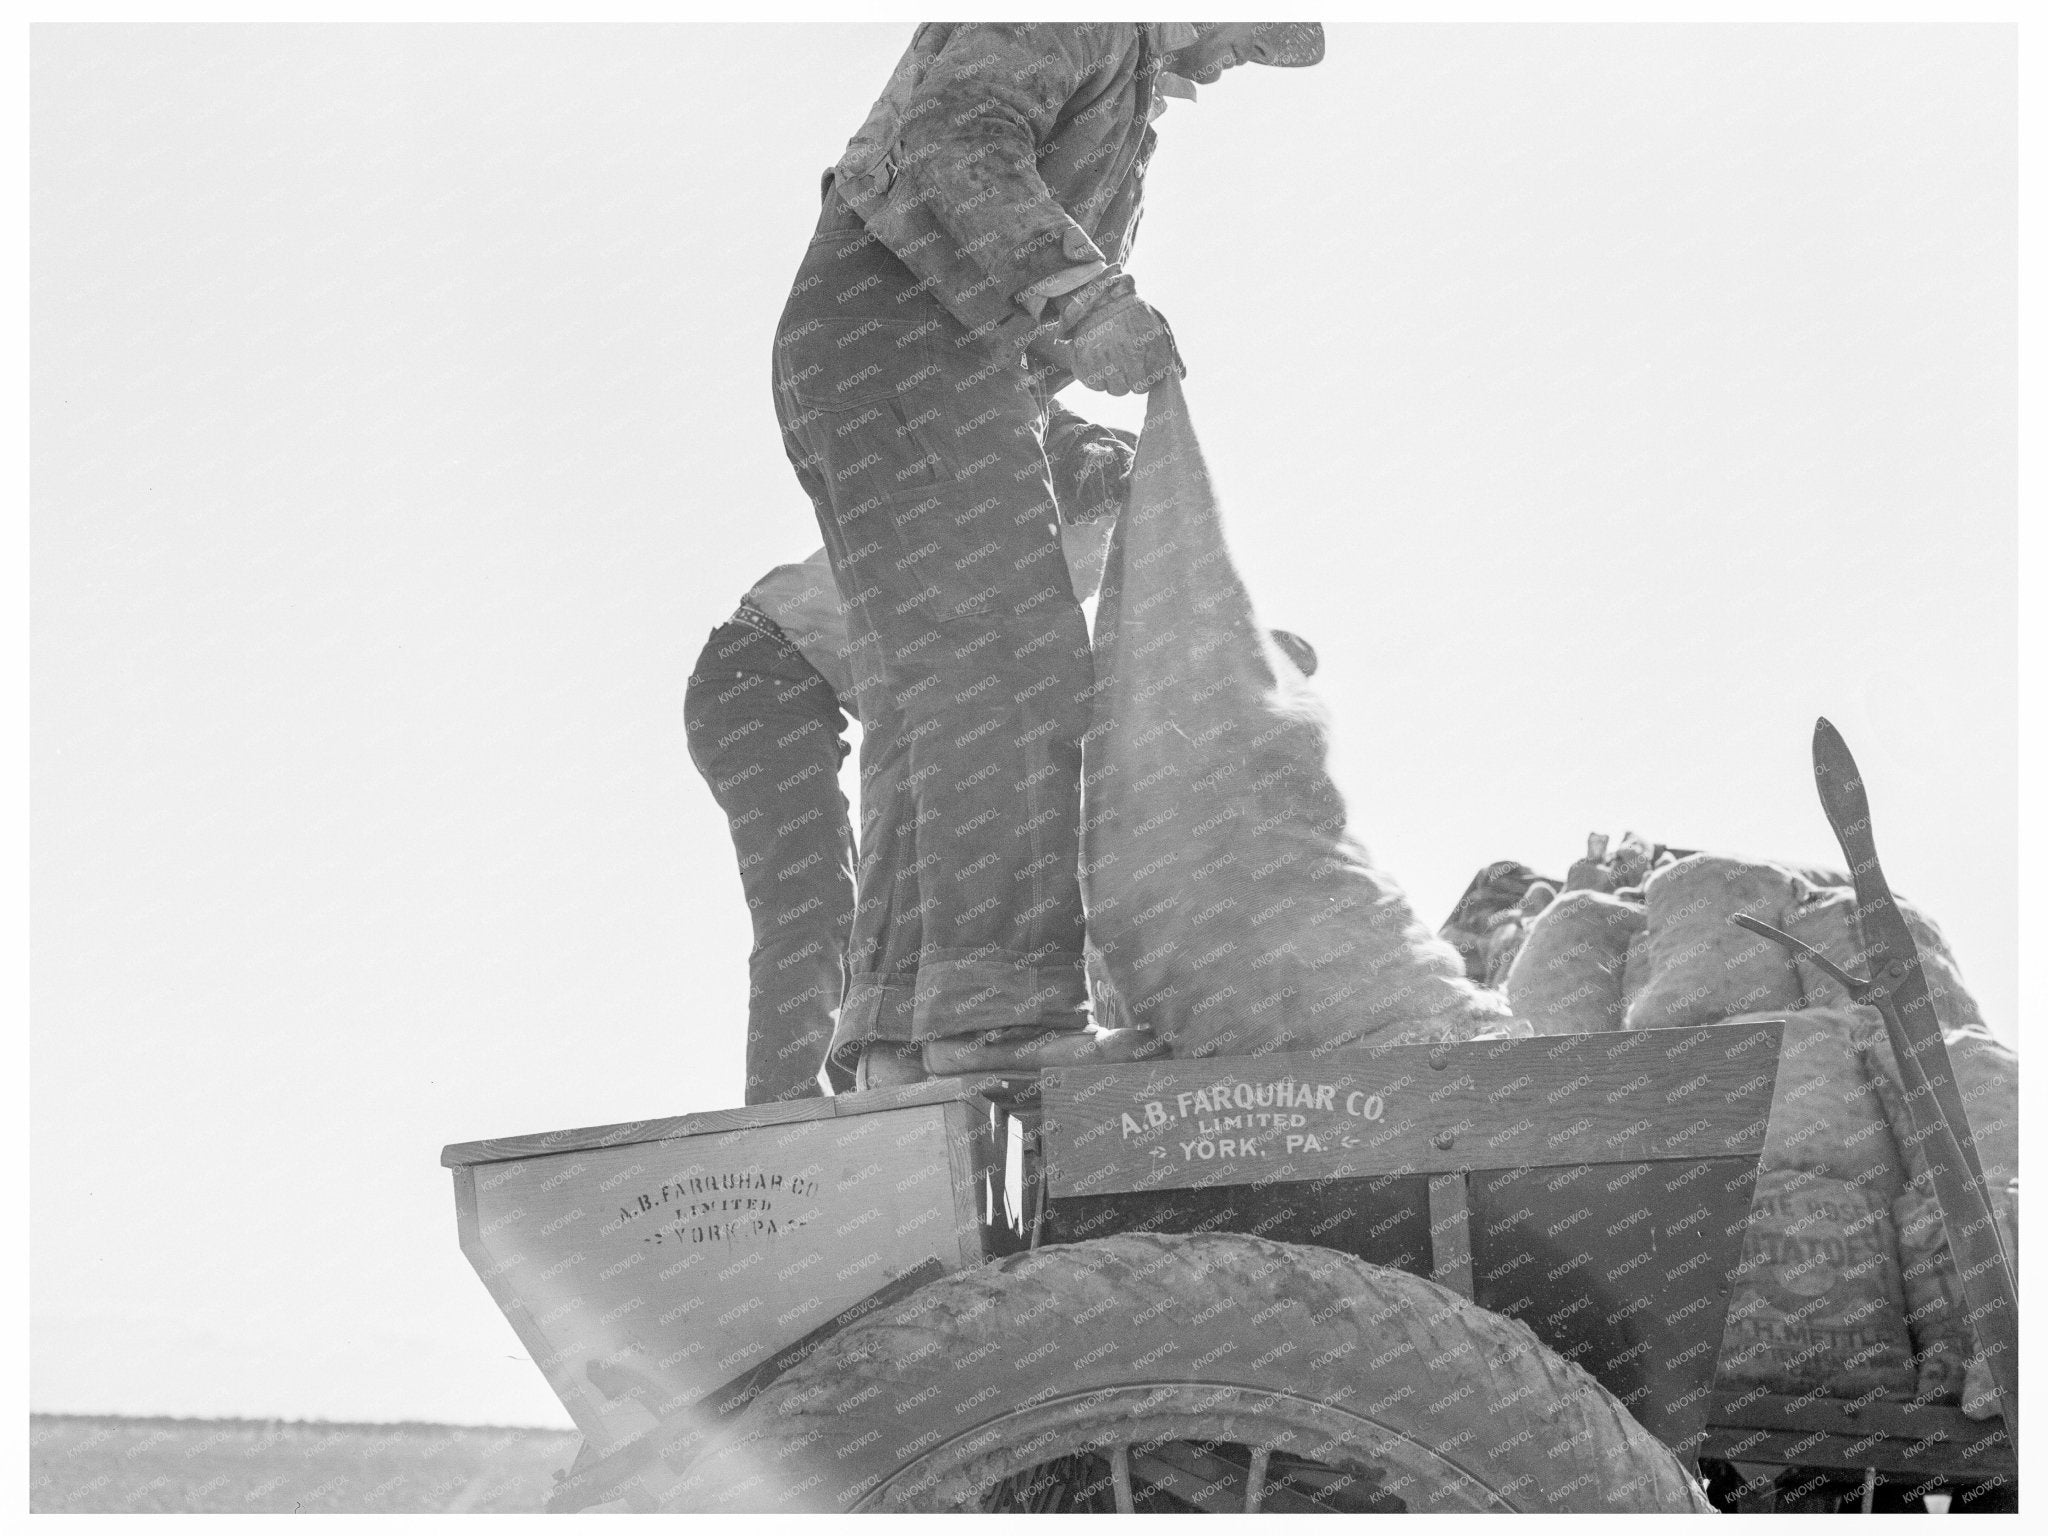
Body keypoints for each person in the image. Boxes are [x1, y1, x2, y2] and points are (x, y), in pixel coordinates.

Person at [771, 23, 1326, 1089]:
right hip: (905, 345)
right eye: (1243, 37)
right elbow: (958, 145)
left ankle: (903, 1029)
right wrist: (1086, 299)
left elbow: (972, 191)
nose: (1220, 72)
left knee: (932, 691)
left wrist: (1074, 326)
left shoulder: (1123, 76)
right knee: (1013, 672)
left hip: (872, 351)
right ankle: (997, 1018)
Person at [686, 405, 1136, 1103]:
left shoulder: (1062, 567)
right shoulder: (1007, 518)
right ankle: (781, 1104)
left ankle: (873, 1053)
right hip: (760, 675)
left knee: (914, 858)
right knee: (810, 899)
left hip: (802, 681)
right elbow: (1028, 413)